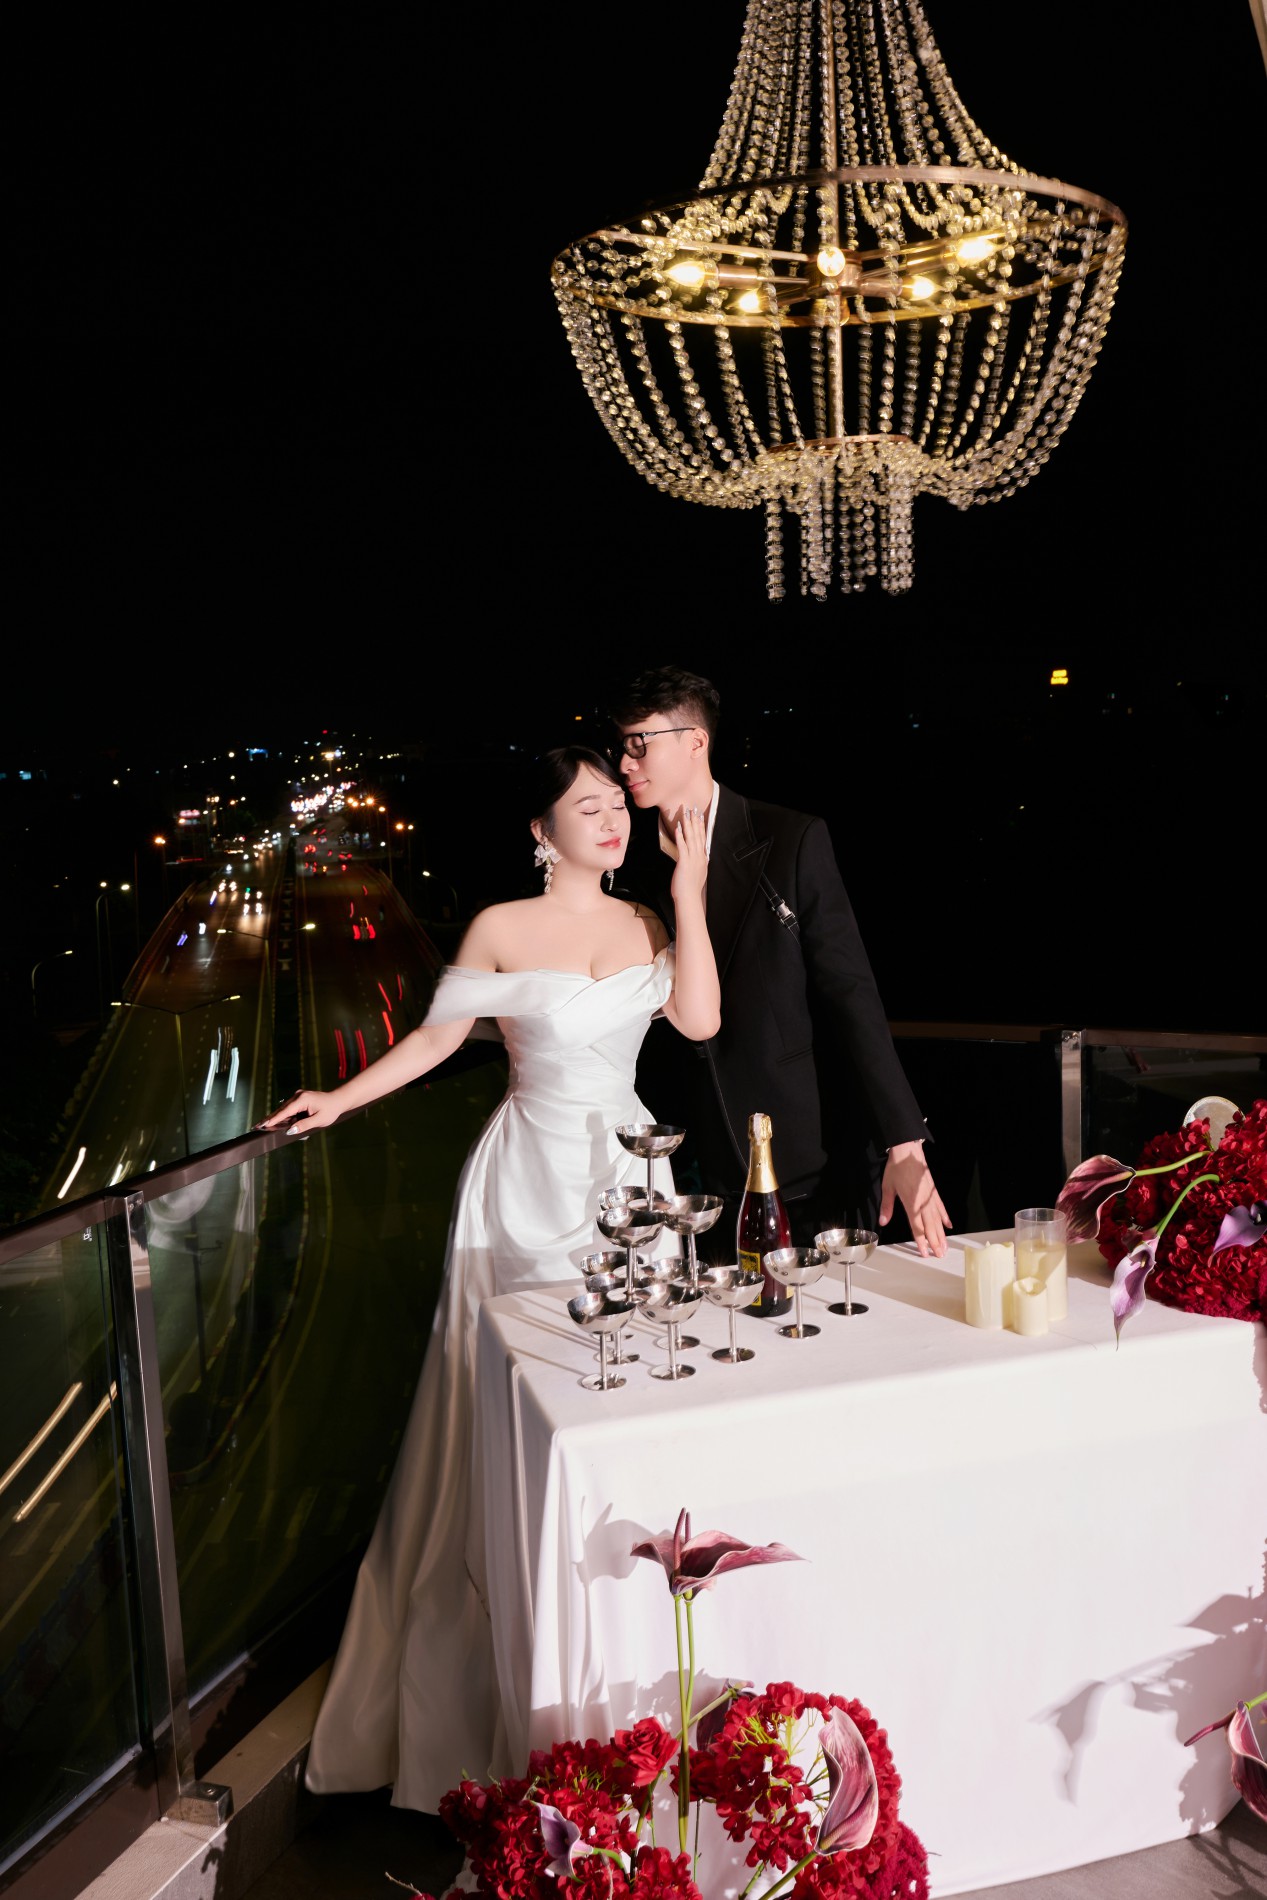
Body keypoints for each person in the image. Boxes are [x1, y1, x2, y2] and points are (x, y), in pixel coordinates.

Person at [260, 746, 719, 1810]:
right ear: (540, 831)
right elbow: (435, 1041)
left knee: (628, 1396)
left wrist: (689, 891)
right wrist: (338, 1100)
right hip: (525, 1187)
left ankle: (619, 1630)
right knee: (515, 1406)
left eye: (615, 804)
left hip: (631, 1178)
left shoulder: (647, 921)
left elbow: (697, 1022)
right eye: (586, 807)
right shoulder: (501, 925)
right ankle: (505, 1647)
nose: (611, 820)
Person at [608, 666, 951, 1258]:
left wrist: (903, 1141)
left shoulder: (789, 838)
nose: (624, 762)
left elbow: (850, 992)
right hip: (672, 1159)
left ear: (696, 741)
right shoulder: (624, 862)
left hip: (799, 1148)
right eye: (621, 745)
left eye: (641, 743)